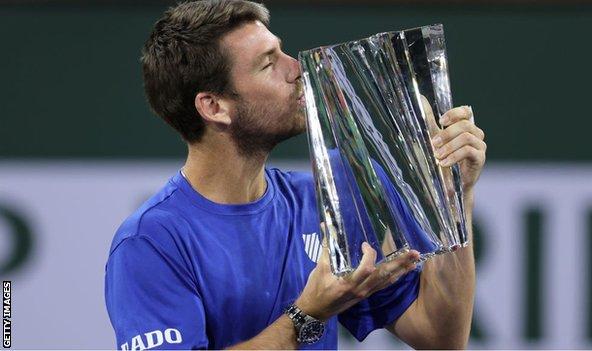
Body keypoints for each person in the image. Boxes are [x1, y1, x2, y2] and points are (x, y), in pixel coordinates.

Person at [104, 0, 487, 349]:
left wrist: (455, 195)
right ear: (214, 106)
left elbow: (441, 338)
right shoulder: (151, 241)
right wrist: (308, 314)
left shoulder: (332, 197)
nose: (297, 69)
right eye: (269, 63)